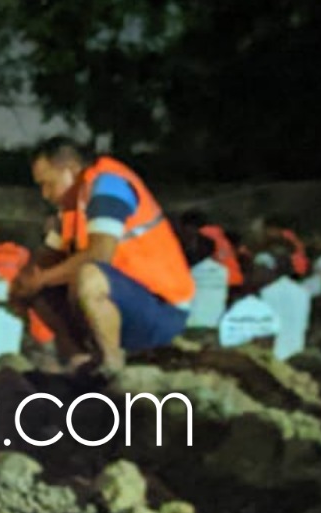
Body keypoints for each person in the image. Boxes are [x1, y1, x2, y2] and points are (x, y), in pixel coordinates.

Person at [11, 139, 194, 372]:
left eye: (48, 184)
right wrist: (22, 285)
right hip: (124, 302)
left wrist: (42, 278)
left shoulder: (109, 185)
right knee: (41, 288)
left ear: (70, 170)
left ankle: (112, 365)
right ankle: (80, 362)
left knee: (89, 274)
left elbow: (100, 254)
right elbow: (44, 258)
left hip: (161, 310)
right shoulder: (70, 209)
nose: (44, 194)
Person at [178, 210, 244, 287]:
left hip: (222, 283)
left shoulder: (203, 236)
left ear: (189, 226)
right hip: (233, 279)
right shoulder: (218, 235)